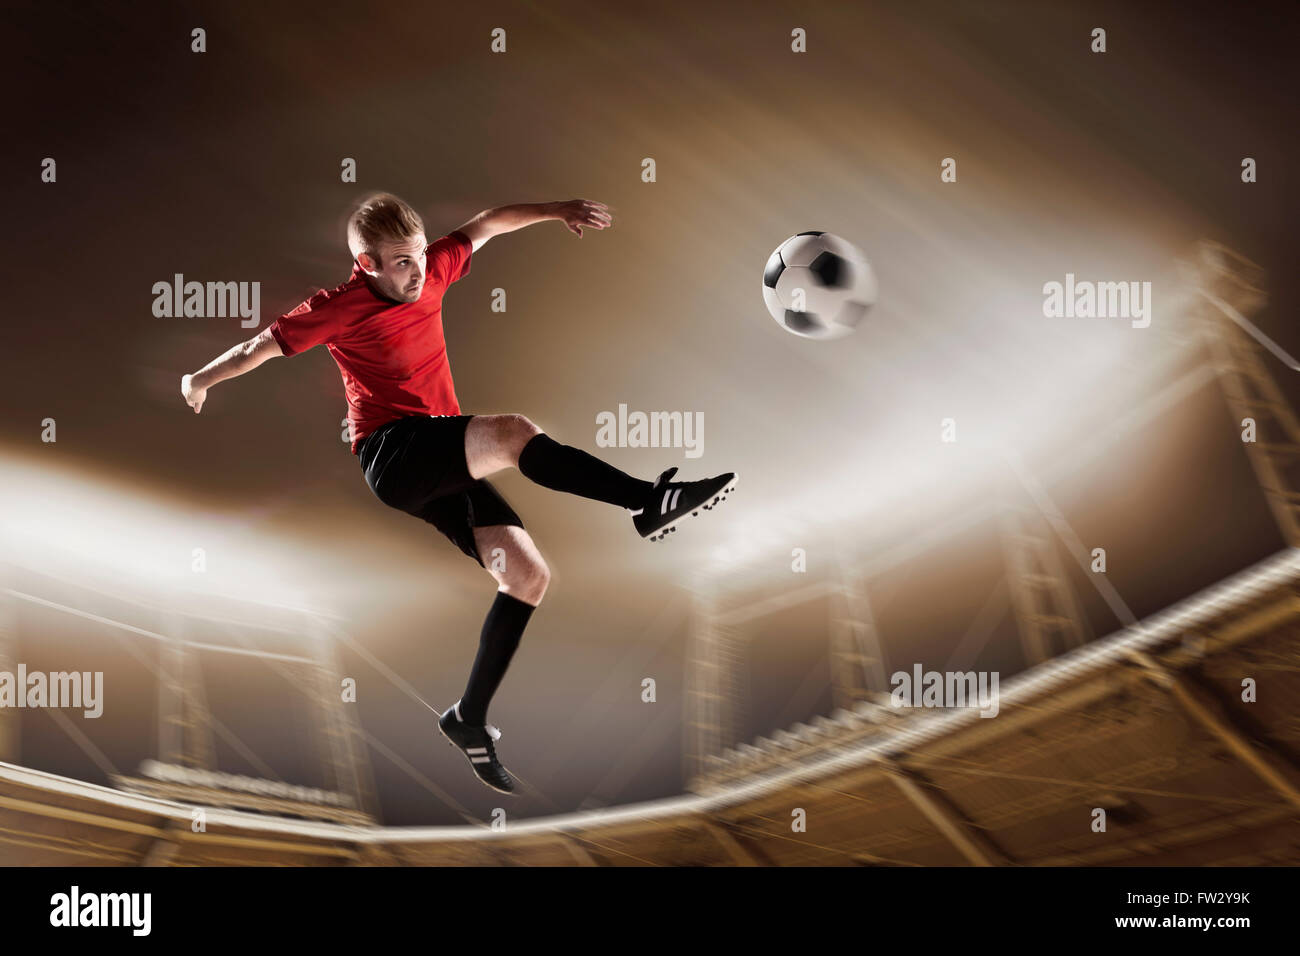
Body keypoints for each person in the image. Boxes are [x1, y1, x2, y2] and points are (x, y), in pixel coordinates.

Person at [180, 193, 736, 794]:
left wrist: (558, 210)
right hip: (393, 454)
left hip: (440, 464)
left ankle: (468, 720)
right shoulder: (336, 307)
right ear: (366, 263)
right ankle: (645, 501)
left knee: (527, 576)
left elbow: (488, 224)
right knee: (516, 433)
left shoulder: (435, 265)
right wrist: (199, 378)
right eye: (399, 263)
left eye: (418, 256)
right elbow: (255, 349)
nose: (416, 271)